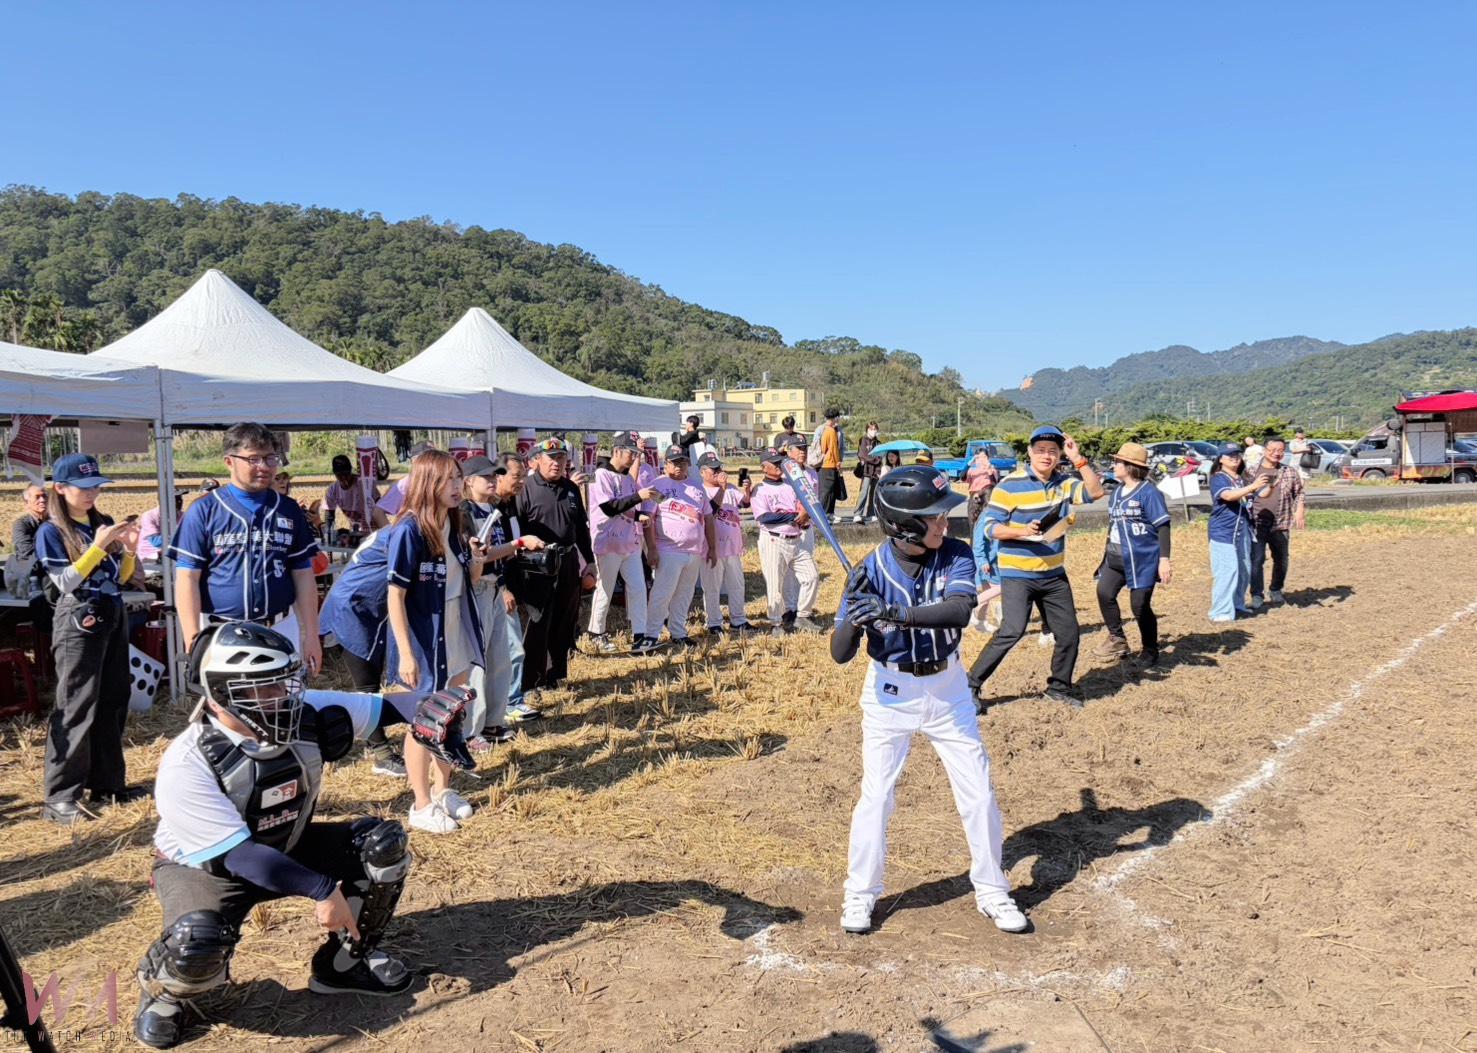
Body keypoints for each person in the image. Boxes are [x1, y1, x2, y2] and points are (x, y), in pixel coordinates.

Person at [132, 621, 477, 1049]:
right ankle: (162, 994)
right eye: (264, 687)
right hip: (206, 869)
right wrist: (322, 890)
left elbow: (387, 708)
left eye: (283, 683)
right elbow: (240, 857)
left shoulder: (301, 711)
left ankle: (343, 964)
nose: (282, 695)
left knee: (381, 845)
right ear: (222, 695)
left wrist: (435, 708)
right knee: (196, 943)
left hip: (285, 844)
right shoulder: (187, 762)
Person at [831, 465, 1028, 936]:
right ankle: (860, 894)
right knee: (877, 797)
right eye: (935, 516)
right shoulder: (867, 571)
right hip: (889, 695)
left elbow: (959, 611)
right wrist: (855, 616)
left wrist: (892, 611)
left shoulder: (955, 553)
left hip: (948, 690)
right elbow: (840, 654)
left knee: (978, 793)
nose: (945, 522)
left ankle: (992, 890)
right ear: (904, 525)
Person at [35, 454, 144, 824]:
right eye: (83, 487)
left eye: (96, 486)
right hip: (77, 619)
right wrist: (97, 547)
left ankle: (108, 784)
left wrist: (129, 548)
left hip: (111, 612)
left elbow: (121, 577)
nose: (91, 493)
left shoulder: (102, 522)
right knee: (75, 704)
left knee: (113, 699)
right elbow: (65, 582)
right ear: (60, 488)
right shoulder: (51, 531)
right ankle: (61, 797)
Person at [383, 450, 484, 833]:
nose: (457, 487)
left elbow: (468, 581)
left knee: (451, 716)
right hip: (425, 637)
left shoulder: (454, 522)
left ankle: (443, 790)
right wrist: (406, 654)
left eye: (458, 478)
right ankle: (421, 803)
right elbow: (395, 595)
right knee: (424, 721)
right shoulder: (409, 530)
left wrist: (476, 559)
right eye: (448, 480)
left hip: (455, 628)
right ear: (428, 483)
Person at [168, 422, 322, 674]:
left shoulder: (288, 509)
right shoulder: (204, 510)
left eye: (270, 458)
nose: (264, 466)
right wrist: (193, 638)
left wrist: (311, 634)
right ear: (229, 461)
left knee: (284, 696)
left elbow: (303, 573)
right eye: (253, 459)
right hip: (221, 631)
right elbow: (187, 578)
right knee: (229, 698)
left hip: (280, 626)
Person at [967, 425, 1104, 707]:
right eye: (1040, 450)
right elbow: (990, 528)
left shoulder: (1064, 483)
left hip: (1053, 574)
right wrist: (1022, 531)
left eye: (1053, 451)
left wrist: (1078, 459)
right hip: (1018, 574)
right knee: (1012, 630)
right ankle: (970, 686)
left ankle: (1059, 688)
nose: (1046, 456)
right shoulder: (1009, 486)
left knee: (1069, 633)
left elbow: (1096, 491)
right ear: (1029, 452)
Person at [459, 454, 547, 747]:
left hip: (494, 587)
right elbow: (478, 557)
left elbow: (495, 553)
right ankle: (471, 730)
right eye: (486, 477)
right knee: (477, 662)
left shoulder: (494, 509)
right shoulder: (464, 512)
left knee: (500, 658)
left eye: (494, 476)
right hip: (478, 589)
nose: (493, 481)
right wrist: (517, 544)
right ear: (469, 481)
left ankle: (493, 723)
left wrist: (516, 548)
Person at [317, 525, 406, 778]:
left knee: (370, 682)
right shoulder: (404, 533)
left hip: (361, 606)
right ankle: (382, 754)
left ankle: (371, 739)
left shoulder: (396, 530)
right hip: (353, 609)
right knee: (366, 687)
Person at [516, 438, 596, 693]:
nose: (557, 463)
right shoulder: (526, 489)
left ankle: (555, 675)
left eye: (561, 457)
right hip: (538, 564)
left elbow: (581, 528)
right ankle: (533, 681)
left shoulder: (570, 488)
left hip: (568, 560)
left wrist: (590, 561)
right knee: (539, 621)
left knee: (565, 619)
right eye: (551, 458)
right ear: (537, 460)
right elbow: (517, 530)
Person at [1093, 443, 1173, 666]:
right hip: (1116, 556)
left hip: (1142, 559)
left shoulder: (1149, 493)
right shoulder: (1117, 492)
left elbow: (1163, 527)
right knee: (1104, 592)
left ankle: (1150, 649)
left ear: (1129, 466)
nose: (1114, 465)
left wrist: (1164, 560)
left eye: (1118, 462)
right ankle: (1117, 638)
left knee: (1139, 606)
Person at [586, 436, 659, 654]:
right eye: (630, 453)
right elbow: (609, 508)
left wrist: (638, 516)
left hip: (629, 542)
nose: (634, 458)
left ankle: (640, 635)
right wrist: (638, 496)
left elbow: (626, 507)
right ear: (617, 451)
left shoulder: (627, 478)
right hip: (607, 542)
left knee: (638, 587)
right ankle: (596, 632)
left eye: (636, 454)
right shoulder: (601, 475)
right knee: (605, 588)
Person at [484, 453, 540, 724]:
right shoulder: (489, 511)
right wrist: (503, 587)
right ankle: (511, 703)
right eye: (517, 476)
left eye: (524, 477)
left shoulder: (510, 505)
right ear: (499, 476)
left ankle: (508, 701)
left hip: (510, 586)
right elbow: (489, 556)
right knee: (512, 648)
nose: (521, 482)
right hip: (495, 589)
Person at [642, 445, 717, 648]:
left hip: (693, 551)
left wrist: (712, 547)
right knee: (662, 593)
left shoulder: (696, 487)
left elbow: (708, 518)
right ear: (665, 463)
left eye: (682, 462)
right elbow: (648, 518)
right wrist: (652, 548)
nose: (679, 466)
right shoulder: (658, 485)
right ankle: (651, 634)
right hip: (668, 549)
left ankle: (678, 631)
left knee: (684, 594)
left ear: (688, 464)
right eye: (674, 462)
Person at [749, 447, 822, 637]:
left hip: (795, 538)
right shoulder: (760, 489)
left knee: (811, 576)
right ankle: (776, 623)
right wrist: (793, 516)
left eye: (779, 462)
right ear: (763, 468)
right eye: (774, 463)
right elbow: (764, 517)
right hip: (774, 539)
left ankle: (803, 615)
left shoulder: (790, 485)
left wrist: (804, 514)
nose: (778, 466)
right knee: (775, 584)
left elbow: (804, 507)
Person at [1207, 443, 1274, 623]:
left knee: (1244, 571)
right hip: (1223, 532)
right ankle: (1220, 611)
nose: (1235, 458)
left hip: (1243, 530)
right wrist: (1253, 486)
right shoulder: (1218, 478)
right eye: (1230, 455)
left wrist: (1269, 482)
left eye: (1237, 455)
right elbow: (1228, 496)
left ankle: (1237, 605)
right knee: (1227, 572)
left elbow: (1261, 494)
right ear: (1221, 459)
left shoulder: (1241, 478)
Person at [697, 452, 753, 635]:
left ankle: (738, 619)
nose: (718, 472)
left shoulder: (730, 488)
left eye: (719, 468)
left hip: (732, 546)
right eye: (713, 469)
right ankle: (713, 622)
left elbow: (745, 503)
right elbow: (711, 512)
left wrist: (747, 491)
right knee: (712, 587)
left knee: (737, 584)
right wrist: (721, 488)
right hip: (711, 548)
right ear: (702, 472)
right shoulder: (700, 491)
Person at [1248, 436, 1306, 608]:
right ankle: (1256, 595)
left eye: (1280, 450)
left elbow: (1299, 492)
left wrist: (1300, 510)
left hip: (1281, 522)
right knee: (1256, 560)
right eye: (1272, 450)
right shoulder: (1251, 471)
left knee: (1281, 559)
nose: (1276, 453)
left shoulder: (1289, 471)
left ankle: (1275, 589)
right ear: (1264, 450)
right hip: (1256, 523)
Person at [8, 482, 53, 635]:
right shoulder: (21, 525)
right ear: (27, 503)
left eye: (45, 496)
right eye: (37, 497)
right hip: (33, 579)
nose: (42, 500)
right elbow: (27, 556)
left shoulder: (57, 522)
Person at [323, 453, 380, 540]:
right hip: (355, 531)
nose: (344, 478)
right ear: (335, 474)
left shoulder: (364, 485)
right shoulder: (332, 490)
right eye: (339, 475)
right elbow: (329, 515)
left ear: (350, 470)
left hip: (373, 530)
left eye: (346, 474)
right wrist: (329, 534)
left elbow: (379, 505)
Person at [814, 408, 847, 519]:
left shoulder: (824, 430)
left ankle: (829, 514)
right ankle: (823, 516)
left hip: (825, 464)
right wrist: (838, 462)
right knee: (827, 492)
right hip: (829, 464)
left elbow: (823, 448)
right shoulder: (831, 431)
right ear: (835, 418)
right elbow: (834, 449)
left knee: (830, 491)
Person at [851, 422, 883, 524]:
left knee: (874, 493)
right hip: (866, 470)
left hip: (876, 471)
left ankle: (871, 513)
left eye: (875, 429)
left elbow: (880, 457)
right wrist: (875, 460)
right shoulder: (863, 440)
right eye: (871, 429)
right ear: (867, 430)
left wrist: (877, 467)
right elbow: (863, 455)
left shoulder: (878, 443)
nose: (873, 431)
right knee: (863, 492)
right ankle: (857, 514)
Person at [965, 448, 1001, 529]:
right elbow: (962, 477)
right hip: (974, 497)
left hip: (987, 497)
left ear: (988, 458)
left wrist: (989, 471)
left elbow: (994, 483)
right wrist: (968, 464)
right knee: (972, 523)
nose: (981, 460)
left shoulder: (992, 469)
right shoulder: (972, 470)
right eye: (978, 457)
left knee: (988, 522)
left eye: (984, 457)